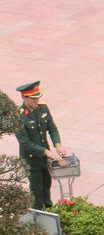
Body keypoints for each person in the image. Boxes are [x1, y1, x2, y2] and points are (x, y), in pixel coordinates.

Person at [14, 81, 69, 209]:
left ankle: (49, 210)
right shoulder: (19, 116)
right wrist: (47, 152)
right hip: (31, 160)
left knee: (47, 186)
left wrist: (58, 144)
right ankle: (38, 217)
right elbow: (26, 143)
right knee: (37, 191)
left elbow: (52, 128)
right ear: (24, 97)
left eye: (37, 97)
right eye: (33, 99)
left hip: (44, 158)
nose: (36, 101)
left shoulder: (43, 108)